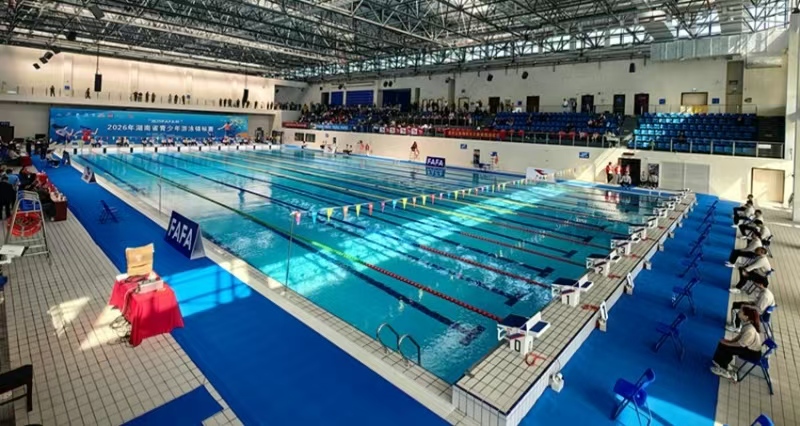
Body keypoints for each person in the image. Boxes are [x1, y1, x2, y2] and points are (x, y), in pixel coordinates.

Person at [710, 306, 763, 380]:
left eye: (741, 311)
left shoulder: (750, 330)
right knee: (723, 343)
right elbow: (740, 336)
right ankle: (720, 362)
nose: (738, 312)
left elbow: (739, 344)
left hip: (752, 353)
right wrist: (729, 341)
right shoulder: (747, 323)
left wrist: (727, 343)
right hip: (747, 347)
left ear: (746, 316)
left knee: (726, 348)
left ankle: (724, 370)